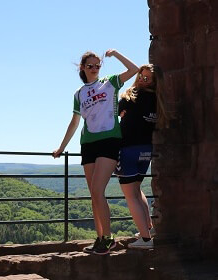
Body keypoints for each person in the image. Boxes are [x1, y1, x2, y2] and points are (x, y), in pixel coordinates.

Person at [53, 49, 138, 255]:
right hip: (88, 143)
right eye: (89, 66)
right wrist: (62, 147)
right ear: (82, 68)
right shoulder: (79, 93)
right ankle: (100, 238)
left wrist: (115, 53)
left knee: (98, 191)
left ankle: (108, 239)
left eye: (97, 66)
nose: (94, 69)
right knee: (94, 194)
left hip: (109, 140)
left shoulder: (110, 82)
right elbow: (74, 122)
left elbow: (134, 69)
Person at [114, 64, 168, 249]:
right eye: (142, 76)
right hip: (146, 150)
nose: (143, 80)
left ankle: (145, 240)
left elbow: (116, 112)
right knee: (137, 190)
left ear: (154, 81)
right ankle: (147, 229)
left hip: (128, 148)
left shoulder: (133, 96)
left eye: (148, 78)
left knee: (130, 196)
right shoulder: (157, 100)